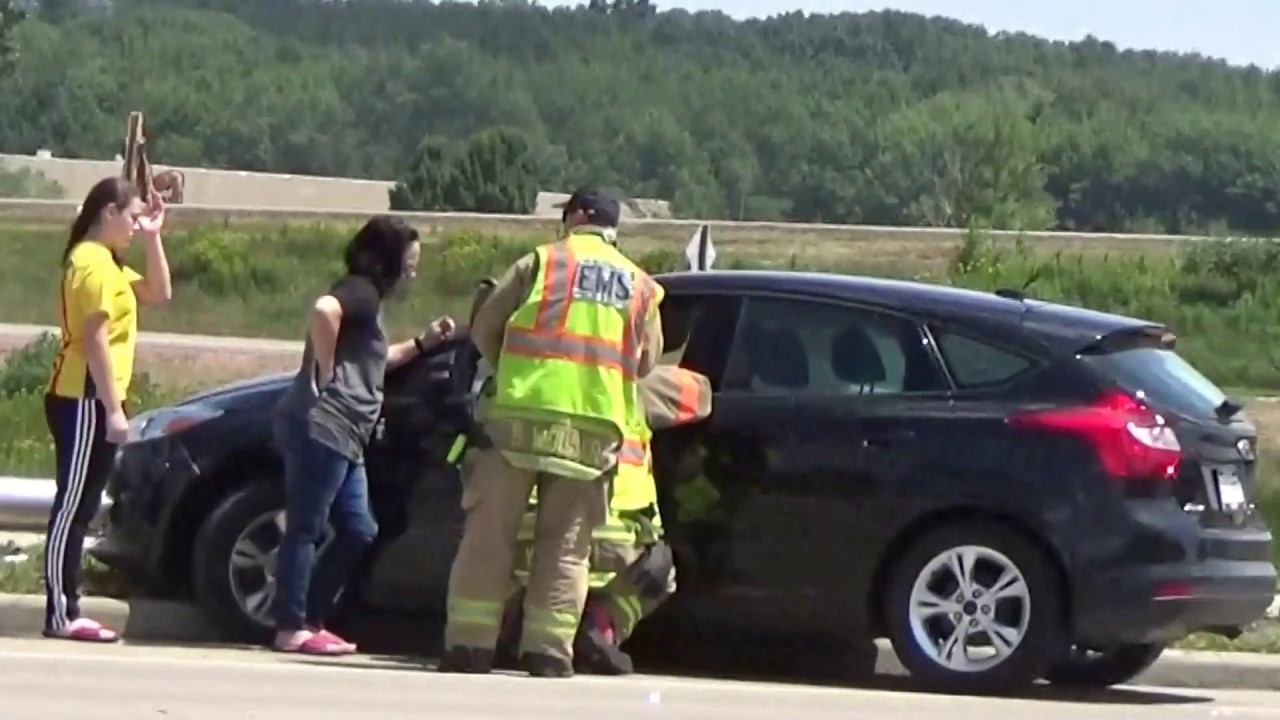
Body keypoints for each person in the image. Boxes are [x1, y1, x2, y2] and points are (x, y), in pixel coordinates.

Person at [440, 187, 664, 677]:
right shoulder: (642, 287)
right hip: (593, 431)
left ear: (578, 216)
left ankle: (469, 648)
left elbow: (484, 329)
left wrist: (516, 370)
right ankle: (547, 654)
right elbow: (644, 362)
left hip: (518, 420)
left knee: (489, 537)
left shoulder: (540, 263)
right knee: (567, 547)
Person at [271, 215, 454, 655]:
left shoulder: (369, 302)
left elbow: (376, 360)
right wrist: (327, 371)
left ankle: (311, 618)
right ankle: (290, 626)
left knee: (359, 528)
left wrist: (423, 344)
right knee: (306, 527)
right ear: (388, 256)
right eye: (409, 259)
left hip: (349, 432)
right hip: (323, 424)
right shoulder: (360, 292)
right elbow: (323, 311)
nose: (413, 269)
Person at [502, 364, 712, 674]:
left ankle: (515, 621)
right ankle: (601, 625)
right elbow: (702, 394)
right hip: (614, 541)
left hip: (529, 534)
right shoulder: (635, 387)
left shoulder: (528, 384)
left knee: (499, 563)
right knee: (662, 573)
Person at [44, 177, 170, 642]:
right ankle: (61, 611)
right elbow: (94, 340)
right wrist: (113, 409)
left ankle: (67, 608)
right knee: (72, 505)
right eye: (133, 217)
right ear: (108, 213)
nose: (136, 225)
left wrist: (156, 236)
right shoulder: (91, 264)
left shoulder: (110, 264)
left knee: (84, 504)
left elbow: (159, 292)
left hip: (95, 397)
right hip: (82, 396)